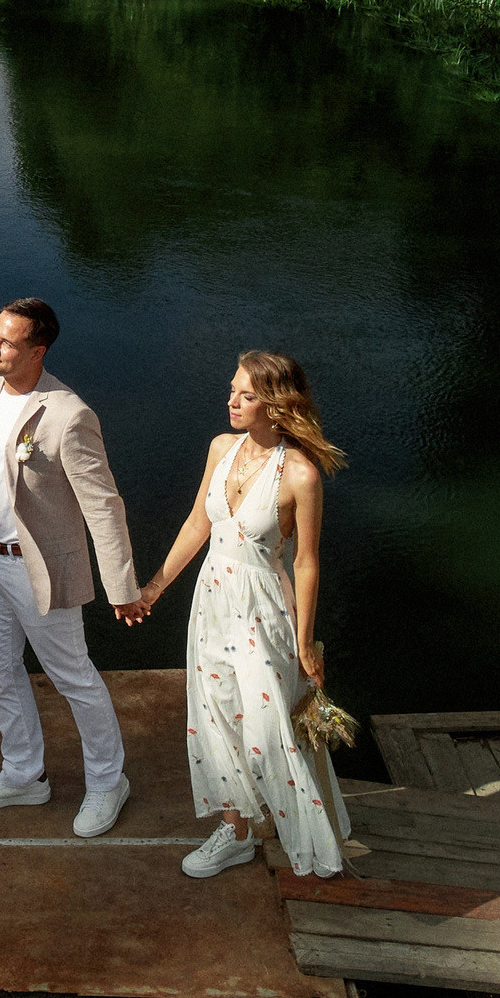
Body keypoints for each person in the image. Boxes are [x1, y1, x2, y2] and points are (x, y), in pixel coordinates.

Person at [131, 350, 351, 879]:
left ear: (276, 405)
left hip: (262, 610)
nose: (231, 400)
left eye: (247, 395)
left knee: (268, 723)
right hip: (212, 599)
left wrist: (304, 641)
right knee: (215, 715)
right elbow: (198, 524)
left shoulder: (300, 474)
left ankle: (307, 831)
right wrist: (154, 587)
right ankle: (235, 830)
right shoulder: (221, 448)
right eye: (233, 389)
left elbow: (305, 561)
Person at [0, 298, 146, 837]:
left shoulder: (68, 414)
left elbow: (104, 505)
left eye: (6, 341)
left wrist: (121, 587)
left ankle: (106, 781)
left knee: (72, 676)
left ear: (37, 351)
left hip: (42, 571)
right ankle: (24, 774)